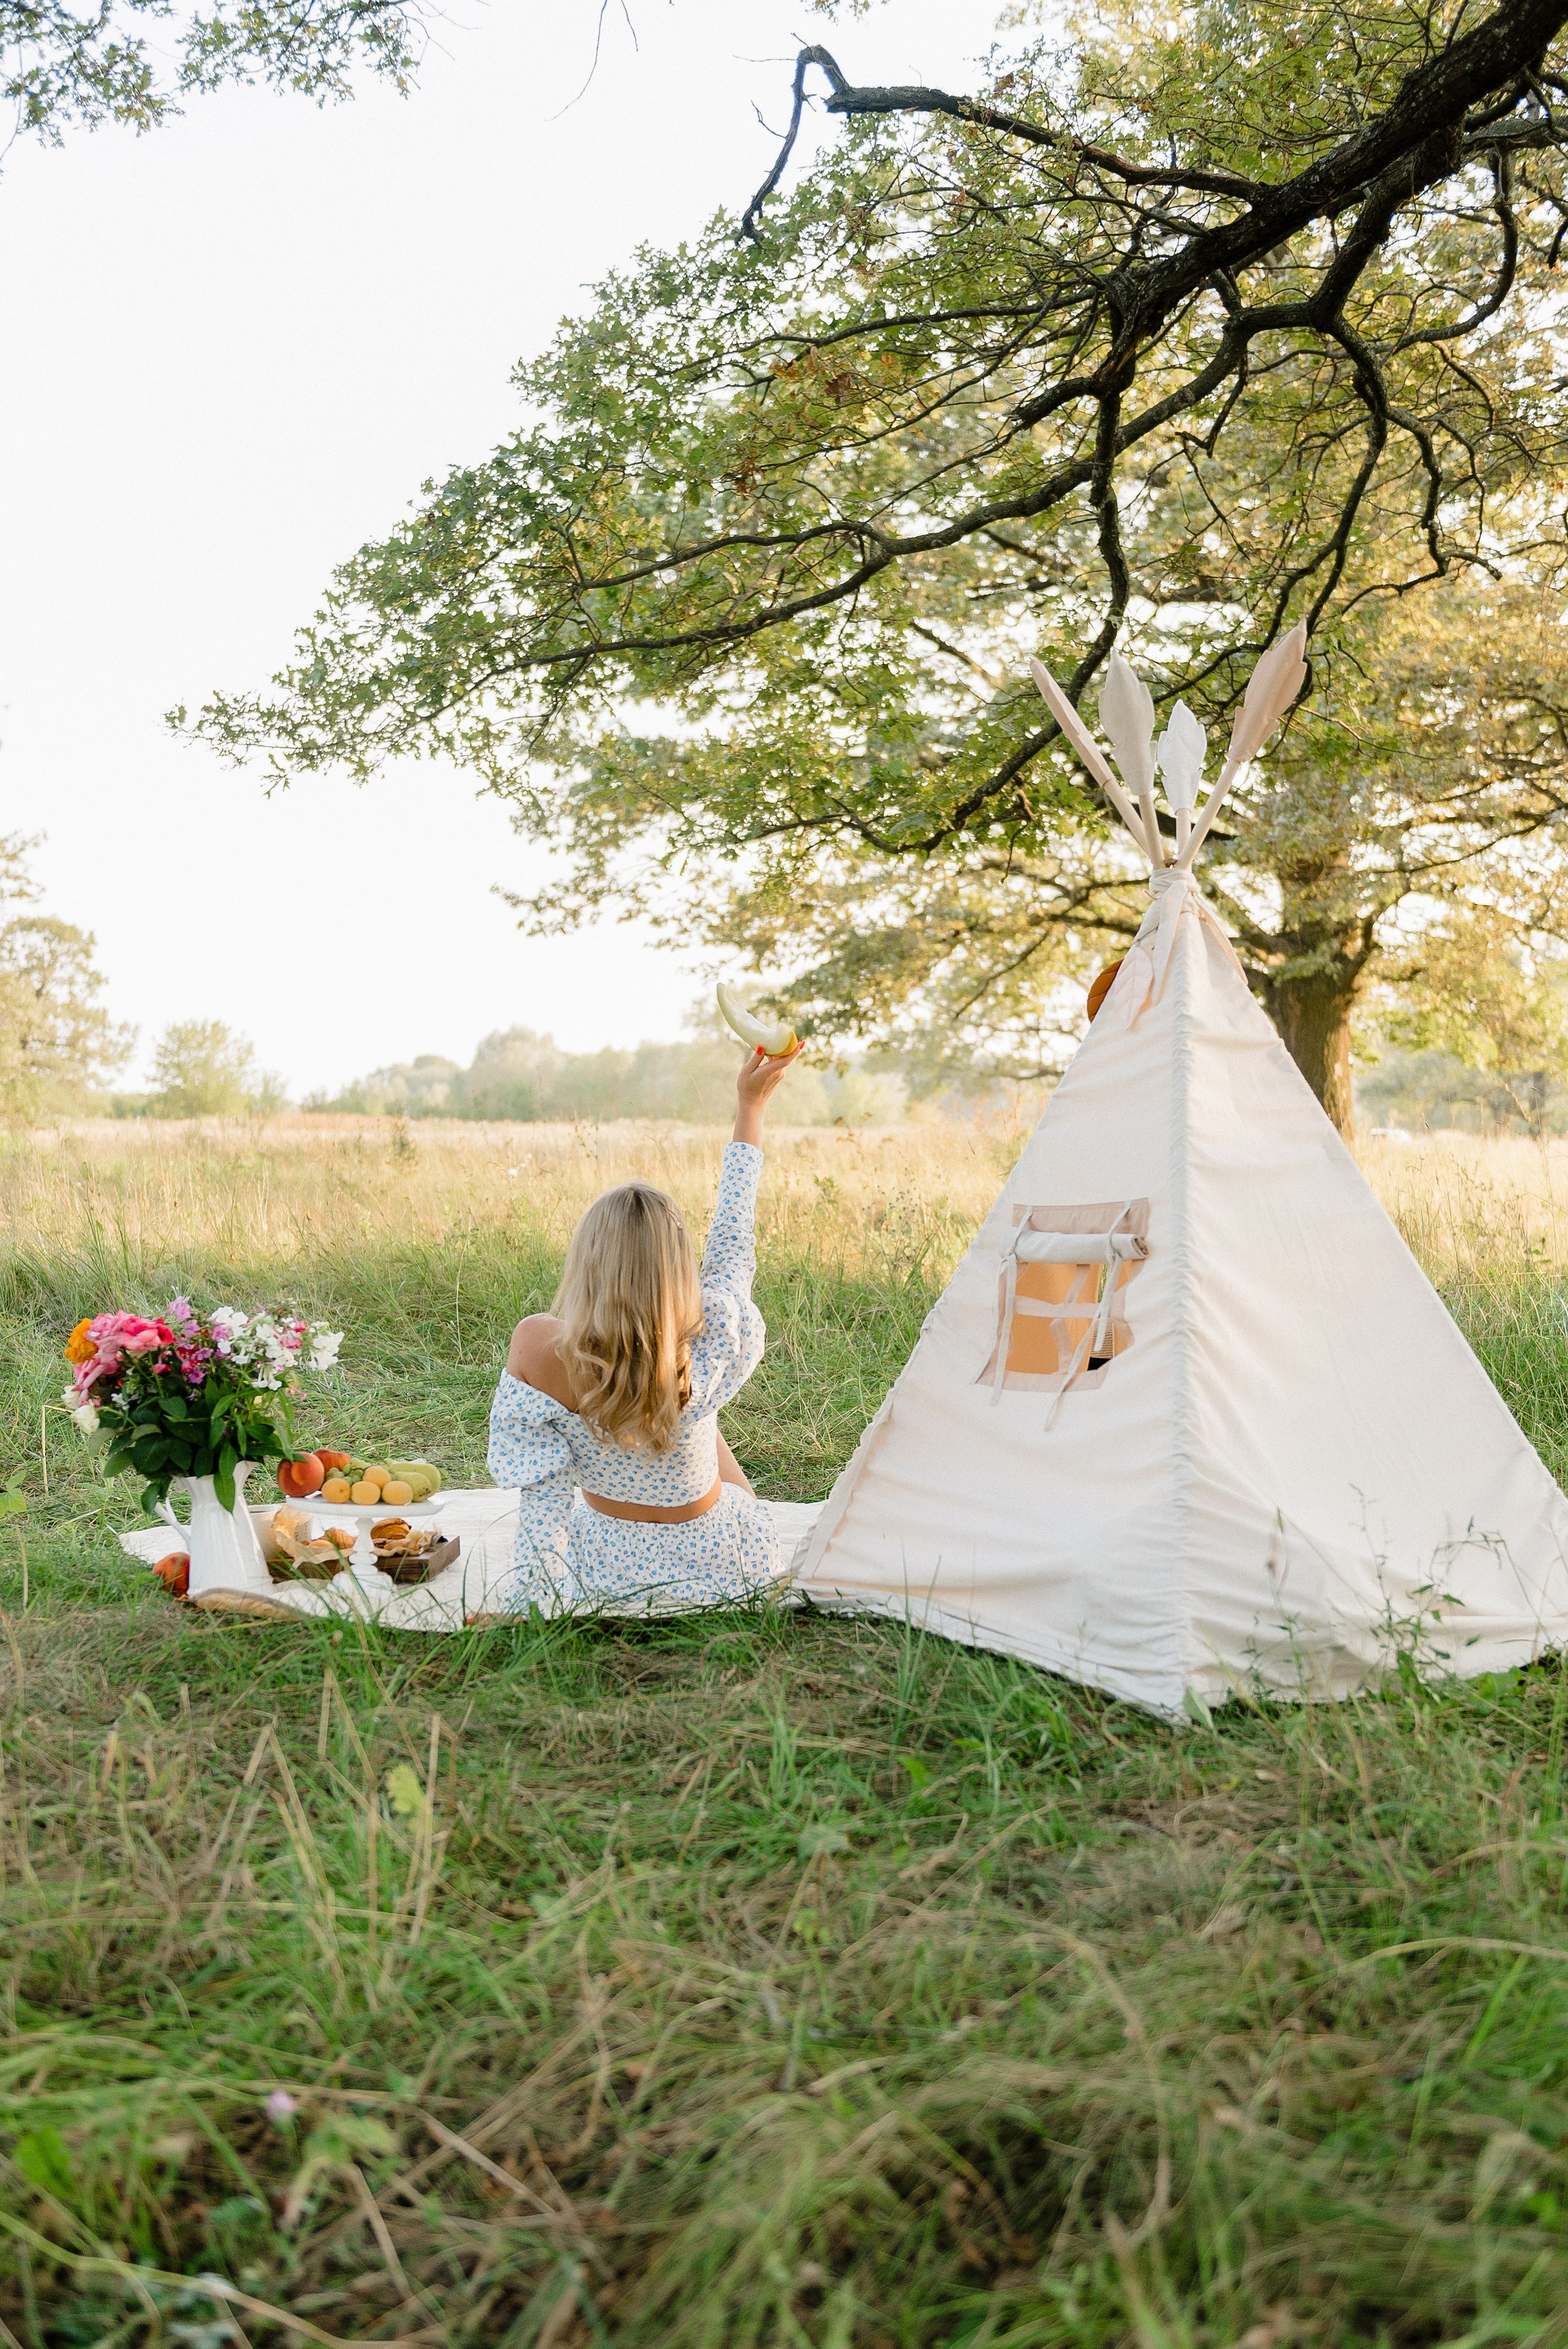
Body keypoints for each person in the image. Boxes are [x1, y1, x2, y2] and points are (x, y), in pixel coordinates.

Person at [486, 1044, 799, 1615]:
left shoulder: (541, 1344)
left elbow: (545, 1500)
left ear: (586, 1262)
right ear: (678, 1266)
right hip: (721, 1557)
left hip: (609, 1562)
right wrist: (750, 1105)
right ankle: (690, 1424)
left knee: (662, 1390)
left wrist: (527, 1603)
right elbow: (735, 1228)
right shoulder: (713, 1335)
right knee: (682, 1394)